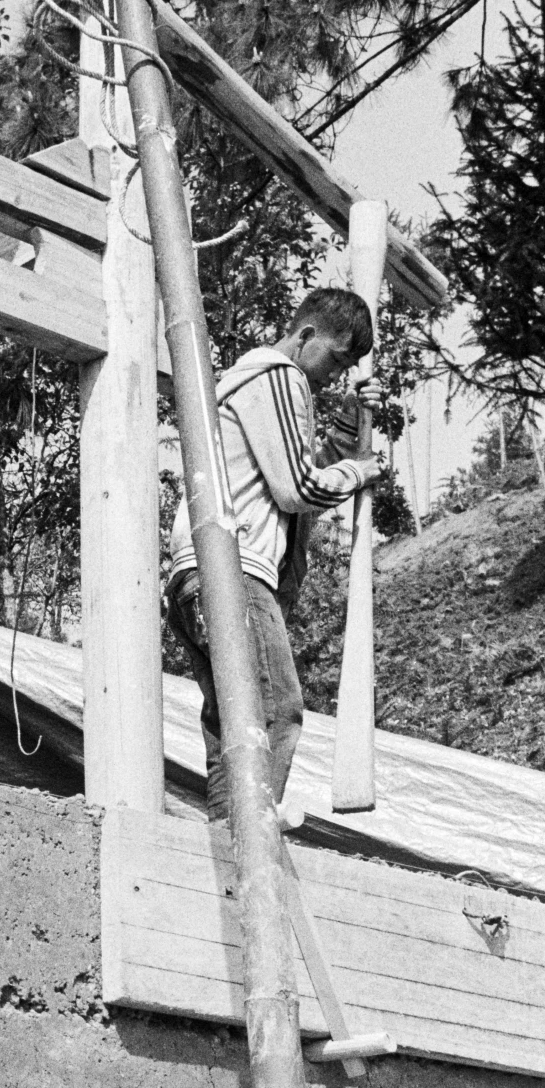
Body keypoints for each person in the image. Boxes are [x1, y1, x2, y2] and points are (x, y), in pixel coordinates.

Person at [164, 286, 385, 819]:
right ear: (305, 335)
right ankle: (254, 830)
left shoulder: (251, 383)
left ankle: (231, 835)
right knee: (274, 713)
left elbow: (290, 482)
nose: (336, 374)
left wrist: (350, 426)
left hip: (195, 574)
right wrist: (361, 469)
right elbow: (299, 490)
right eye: (336, 359)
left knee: (234, 727)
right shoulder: (278, 376)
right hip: (232, 570)